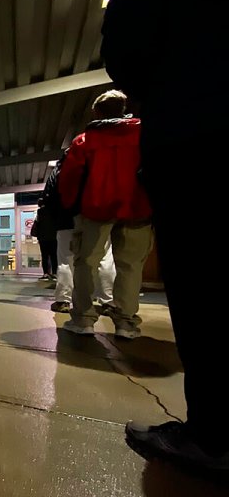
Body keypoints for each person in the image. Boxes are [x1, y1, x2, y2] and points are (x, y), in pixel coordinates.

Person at [100, 0, 227, 471]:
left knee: (203, 286)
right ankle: (125, 319)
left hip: (194, 135)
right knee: (129, 266)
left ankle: (216, 435)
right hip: (143, 197)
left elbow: (127, 43)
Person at [58, 89, 153, 339]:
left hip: (95, 208)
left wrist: (71, 207)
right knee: (130, 265)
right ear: (124, 109)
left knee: (86, 262)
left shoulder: (85, 141)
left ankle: (84, 319)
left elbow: (70, 179)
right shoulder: (144, 134)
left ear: (97, 112)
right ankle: (126, 322)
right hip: (137, 208)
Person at [41, 147, 116, 314]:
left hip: (66, 221)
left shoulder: (60, 169)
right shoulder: (99, 164)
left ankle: (63, 301)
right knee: (104, 258)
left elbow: (48, 196)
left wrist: (57, 216)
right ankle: (108, 301)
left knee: (66, 261)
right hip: (97, 218)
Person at [30, 198, 57, 280]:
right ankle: (55, 273)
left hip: (43, 238)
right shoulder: (53, 211)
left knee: (44, 256)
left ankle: (45, 273)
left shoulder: (40, 212)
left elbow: (38, 223)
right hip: (53, 237)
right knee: (53, 256)